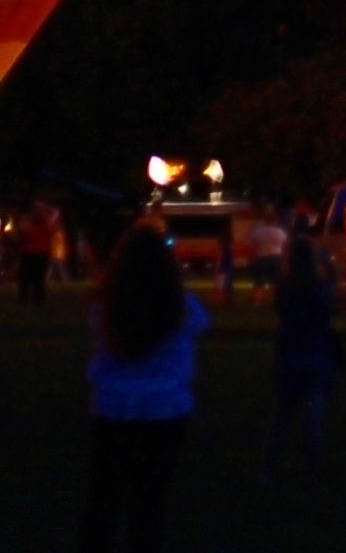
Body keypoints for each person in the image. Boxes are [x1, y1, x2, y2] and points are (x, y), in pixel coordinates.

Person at [81, 223, 209, 551]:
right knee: (150, 498)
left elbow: (96, 328)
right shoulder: (182, 305)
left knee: (105, 495)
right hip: (165, 406)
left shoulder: (107, 304)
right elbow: (201, 326)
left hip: (112, 404)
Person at [262, 235, 337, 486]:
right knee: (313, 417)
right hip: (316, 354)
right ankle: (312, 472)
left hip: (290, 355)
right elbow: (330, 296)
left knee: (281, 418)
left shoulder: (284, 288)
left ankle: (268, 472)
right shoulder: (320, 287)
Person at [18, 195, 62, 305]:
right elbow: (55, 212)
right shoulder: (32, 223)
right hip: (31, 253)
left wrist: (41, 207)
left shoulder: (45, 224)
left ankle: (35, 299)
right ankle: (30, 298)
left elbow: (56, 212)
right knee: (28, 278)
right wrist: (42, 208)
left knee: (36, 278)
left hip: (38, 253)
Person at [246, 209, 289, 305]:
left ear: (265, 220)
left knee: (259, 281)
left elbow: (250, 244)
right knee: (276, 281)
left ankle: (257, 300)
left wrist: (251, 257)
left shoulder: (258, 231)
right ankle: (276, 300)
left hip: (262, 257)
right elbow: (285, 246)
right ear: (276, 220)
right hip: (276, 258)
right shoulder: (280, 232)